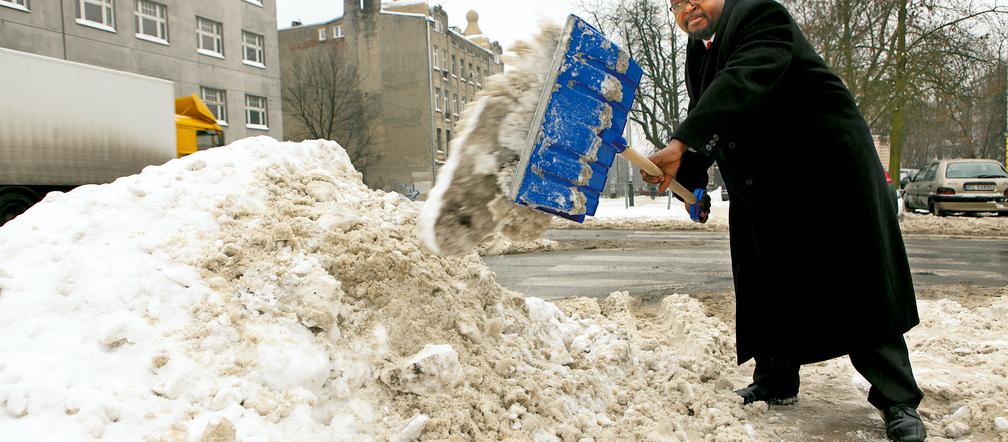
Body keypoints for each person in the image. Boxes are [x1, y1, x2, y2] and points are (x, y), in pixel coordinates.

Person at [642, 0, 926, 441]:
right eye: (675, 3)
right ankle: (776, 379)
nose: (686, 6)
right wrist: (690, 177)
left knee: (855, 280)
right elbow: (713, 109)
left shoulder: (761, 15)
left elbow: (742, 82)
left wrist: (681, 142)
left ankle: (898, 399)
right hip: (769, 179)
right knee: (767, 276)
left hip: (826, 167)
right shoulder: (698, 51)